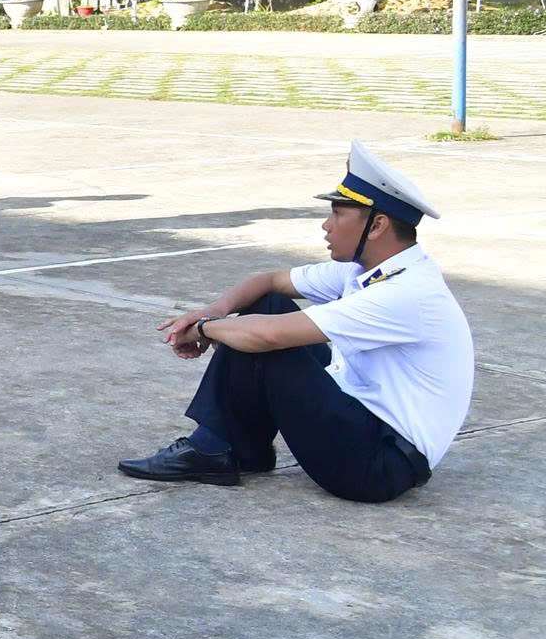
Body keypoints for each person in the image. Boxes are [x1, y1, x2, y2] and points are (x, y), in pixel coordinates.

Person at [119, 144, 474, 502]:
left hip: (379, 465)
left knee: (268, 340)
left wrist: (204, 329)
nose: (326, 225)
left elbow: (269, 336)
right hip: (362, 427)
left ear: (377, 225)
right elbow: (269, 281)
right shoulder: (368, 270)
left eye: (337, 214)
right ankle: (242, 450)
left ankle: (212, 448)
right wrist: (215, 310)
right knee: (269, 305)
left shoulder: (407, 292)